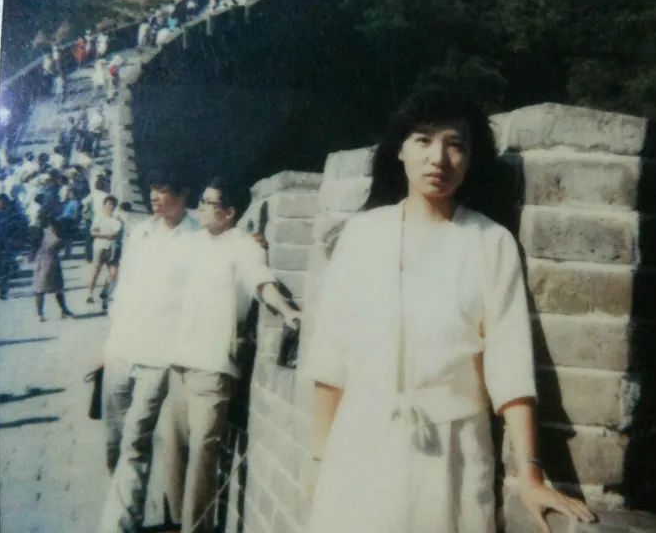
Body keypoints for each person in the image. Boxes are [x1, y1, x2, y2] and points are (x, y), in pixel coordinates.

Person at [303, 90, 595, 533]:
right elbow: (330, 358)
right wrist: (319, 460)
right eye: (422, 140)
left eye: (455, 144)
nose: (438, 158)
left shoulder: (490, 242)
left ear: (471, 158)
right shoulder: (361, 236)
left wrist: (531, 477)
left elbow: (510, 366)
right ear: (400, 150)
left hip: (450, 459)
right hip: (360, 450)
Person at [159, 178, 300, 533]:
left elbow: (261, 281)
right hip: (179, 363)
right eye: (202, 201)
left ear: (230, 212)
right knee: (173, 452)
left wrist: (288, 311)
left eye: (209, 203)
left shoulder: (244, 247)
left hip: (214, 368)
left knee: (202, 456)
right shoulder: (192, 243)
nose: (201, 208)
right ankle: (174, 523)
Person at [99, 169, 199, 532]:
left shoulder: (199, 238)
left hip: (158, 355)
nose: (155, 197)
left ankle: (120, 525)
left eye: (164, 190)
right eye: (153, 190)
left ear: (183, 193)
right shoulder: (140, 233)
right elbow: (123, 290)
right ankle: (127, 508)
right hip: (121, 350)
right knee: (114, 442)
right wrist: (107, 346)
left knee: (135, 438)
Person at [32, 215, 74, 321]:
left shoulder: (55, 233)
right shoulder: (56, 234)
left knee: (50, 287)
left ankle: (59, 311)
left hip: (48, 260)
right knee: (46, 287)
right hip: (47, 260)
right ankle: (43, 313)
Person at [86, 195, 122, 308]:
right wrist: (106, 235)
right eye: (109, 204)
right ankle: (89, 294)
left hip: (112, 248)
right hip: (99, 247)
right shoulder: (99, 217)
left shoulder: (116, 219)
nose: (111, 207)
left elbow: (117, 234)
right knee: (95, 271)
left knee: (113, 273)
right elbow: (93, 232)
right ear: (104, 205)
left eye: (113, 205)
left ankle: (104, 292)